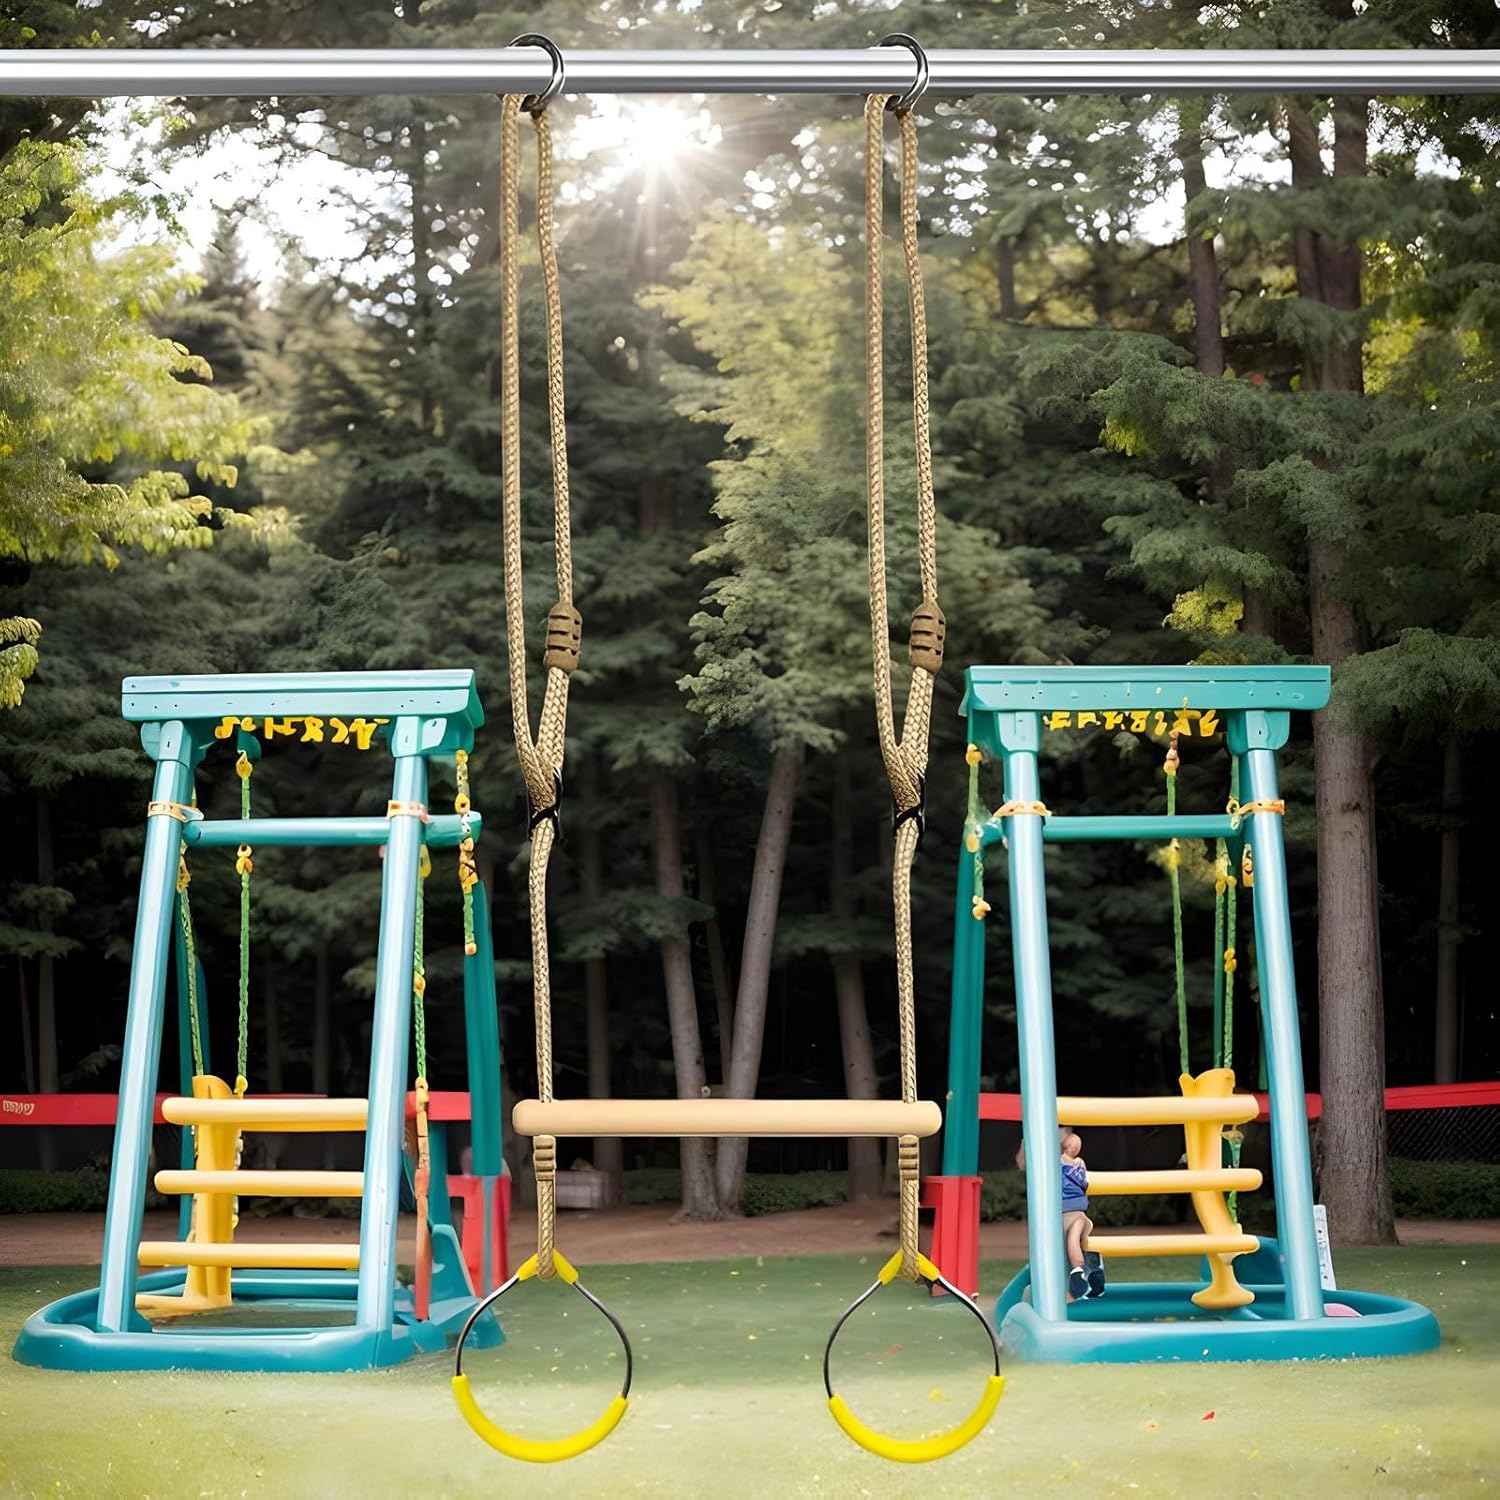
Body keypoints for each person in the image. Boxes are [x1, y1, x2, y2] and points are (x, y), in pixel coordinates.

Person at [1015, 1125, 1105, 1300]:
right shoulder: (1077, 1164)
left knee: (1071, 1243)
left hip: (1068, 1211)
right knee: (1077, 1243)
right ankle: (1090, 1271)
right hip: (1076, 1211)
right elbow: (1083, 1183)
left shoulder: (1060, 1163)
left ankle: (1080, 1273)